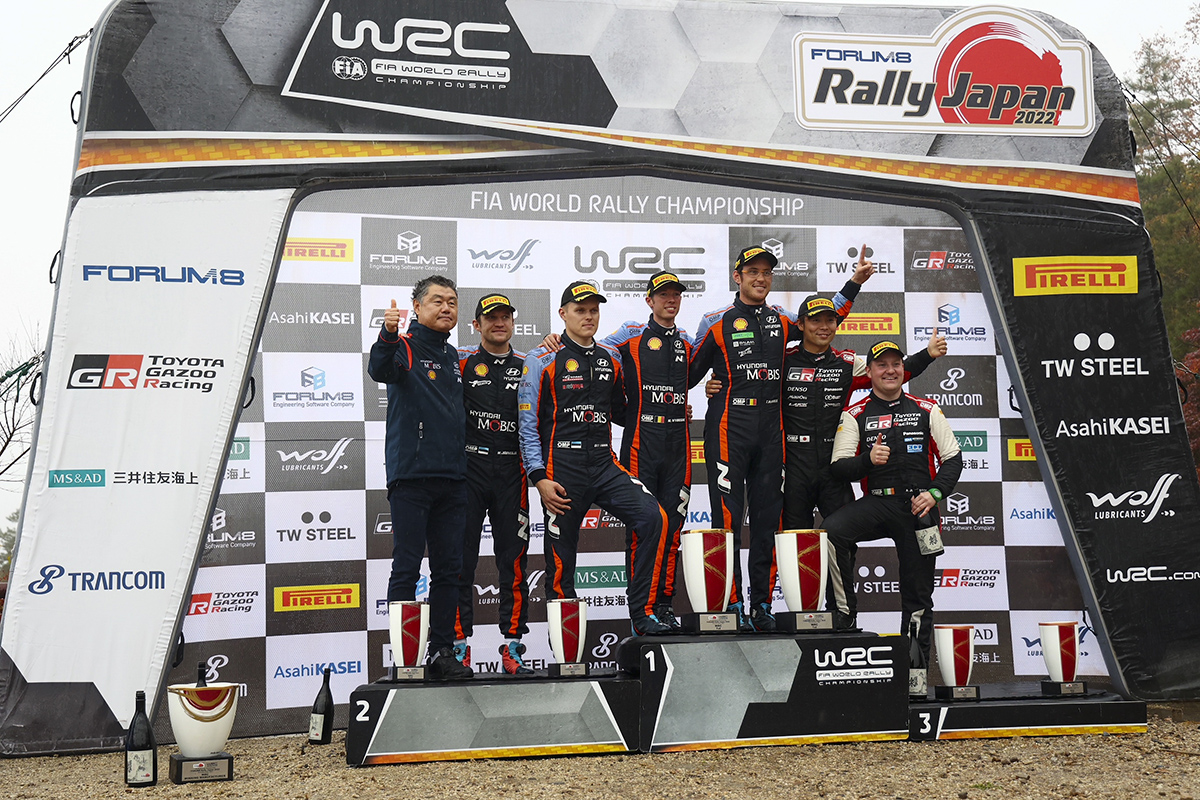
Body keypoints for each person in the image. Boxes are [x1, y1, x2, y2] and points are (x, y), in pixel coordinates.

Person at [689, 245, 873, 632]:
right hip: (729, 430)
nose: (761, 278)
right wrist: (709, 386)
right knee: (726, 521)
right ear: (737, 277)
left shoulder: (782, 319)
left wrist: (854, 283)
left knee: (767, 522)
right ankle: (731, 605)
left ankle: (760, 604)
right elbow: (686, 372)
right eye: (752, 271)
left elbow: (824, 320)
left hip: (771, 436)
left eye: (767, 272)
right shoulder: (715, 321)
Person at [538, 271, 694, 631]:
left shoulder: (610, 355)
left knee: (655, 518)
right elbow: (529, 423)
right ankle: (564, 648)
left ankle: (643, 614)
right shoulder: (544, 358)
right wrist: (538, 476)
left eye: (593, 310)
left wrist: (675, 405)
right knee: (561, 558)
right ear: (563, 314)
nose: (588, 316)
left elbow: (622, 409)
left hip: (605, 462)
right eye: (581, 310)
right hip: (563, 466)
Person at [823, 340, 963, 688]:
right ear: (869, 372)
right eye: (881, 365)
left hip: (919, 510)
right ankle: (843, 614)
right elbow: (839, 466)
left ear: (904, 369)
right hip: (879, 503)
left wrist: (934, 493)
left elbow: (953, 458)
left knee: (918, 597)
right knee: (832, 531)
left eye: (896, 364)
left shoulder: (927, 408)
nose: (890, 370)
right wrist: (867, 461)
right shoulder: (855, 413)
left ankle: (914, 678)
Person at [367, 276, 472, 680]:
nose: (446, 308)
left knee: (449, 571)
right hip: (411, 478)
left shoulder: (452, 355)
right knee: (407, 566)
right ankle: (405, 658)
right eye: (437, 301)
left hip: (453, 478)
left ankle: (442, 652)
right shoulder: (404, 347)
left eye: (452, 302)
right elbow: (379, 368)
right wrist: (388, 334)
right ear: (417, 306)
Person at [779, 296, 946, 529]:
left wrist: (927, 355)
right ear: (800, 324)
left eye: (830, 320)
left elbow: (887, 373)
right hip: (794, 465)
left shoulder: (847, 363)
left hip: (834, 467)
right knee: (795, 537)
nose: (824, 327)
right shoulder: (783, 361)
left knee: (841, 534)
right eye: (816, 320)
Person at [454, 293, 533, 675]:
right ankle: (457, 647)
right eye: (491, 318)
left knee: (513, 562)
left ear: (513, 322)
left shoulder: (530, 365)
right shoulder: (462, 361)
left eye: (505, 317)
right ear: (476, 325)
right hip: (469, 470)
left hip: (511, 472)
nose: (499, 323)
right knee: (459, 561)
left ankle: (513, 646)